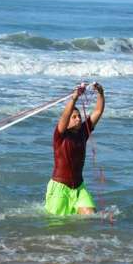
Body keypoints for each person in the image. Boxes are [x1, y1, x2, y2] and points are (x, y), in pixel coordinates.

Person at [45, 82, 105, 216]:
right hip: (60, 189)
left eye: (79, 116)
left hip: (79, 188)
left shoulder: (83, 132)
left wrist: (100, 93)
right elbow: (64, 117)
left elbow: (98, 111)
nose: (78, 119)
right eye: (74, 117)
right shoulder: (60, 136)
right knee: (57, 225)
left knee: (90, 216)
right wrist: (74, 98)